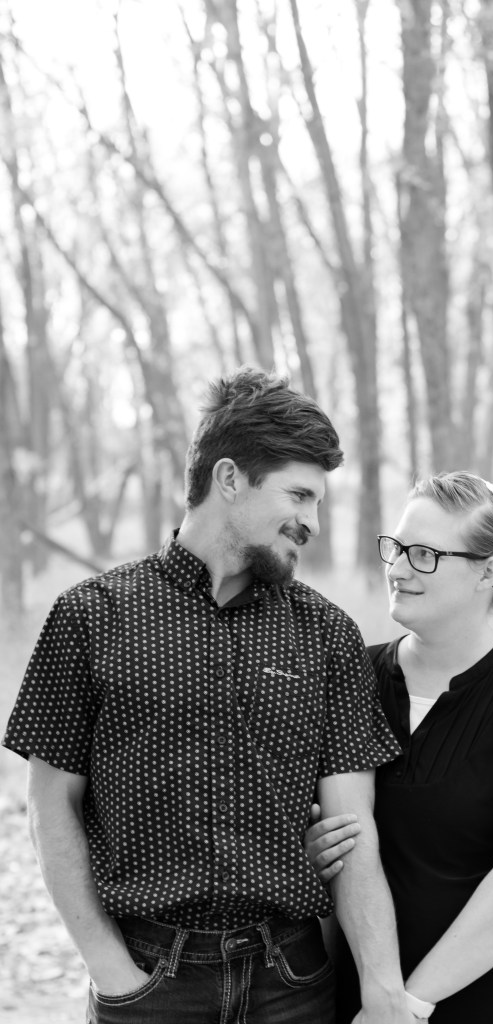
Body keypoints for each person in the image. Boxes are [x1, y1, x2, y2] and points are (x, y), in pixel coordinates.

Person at [2, 367, 415, 1024]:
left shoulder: (327, 633)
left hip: (293, 981)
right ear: (229, 479)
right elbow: (51, 807)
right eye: (298, 495)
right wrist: (111, 970)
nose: (311, 522)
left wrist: (382, 989)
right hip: (147, 980)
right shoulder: (90, 616)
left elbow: (351, 834)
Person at [306, 471, 493, 1024]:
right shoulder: (353, 676)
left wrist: (407, 1006)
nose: (397, 569)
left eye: (424, 555)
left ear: (488, 573)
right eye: (395, 547)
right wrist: (310, 851)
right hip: (373, 991)